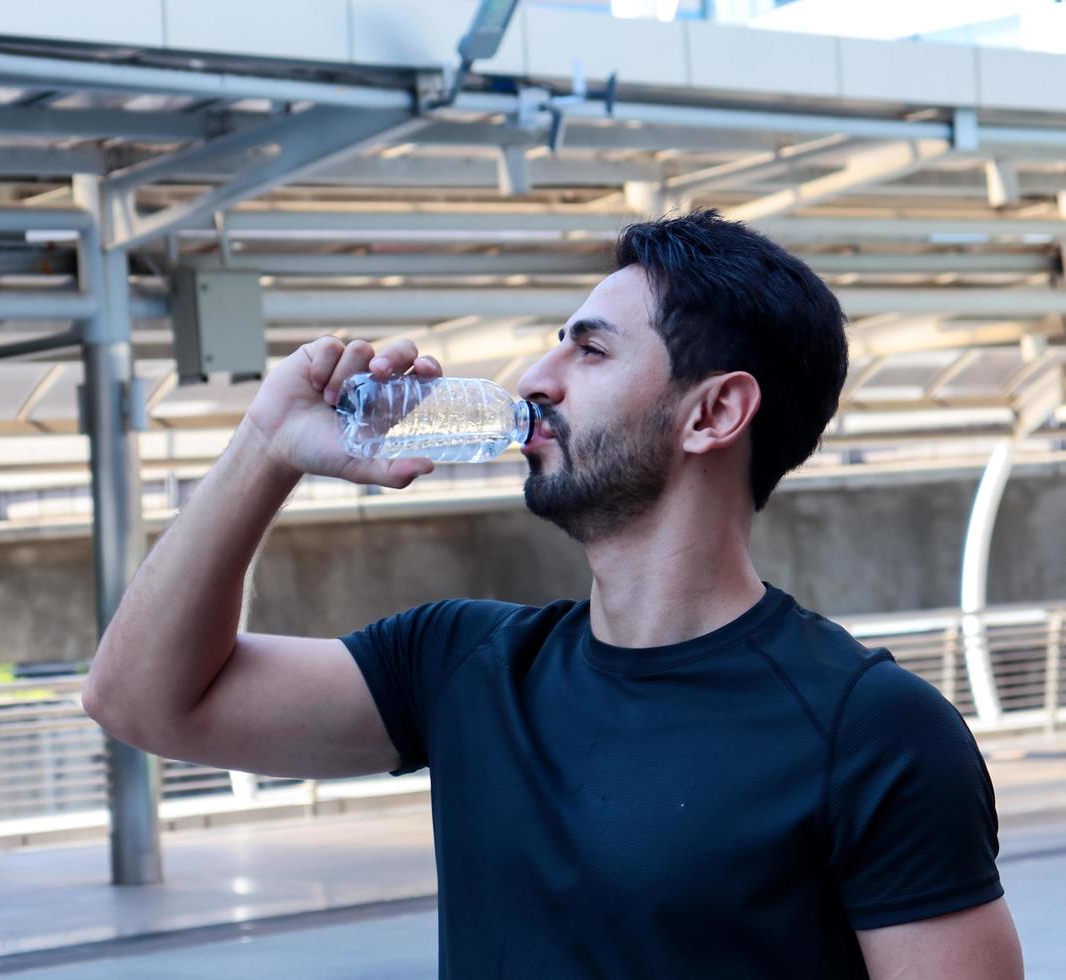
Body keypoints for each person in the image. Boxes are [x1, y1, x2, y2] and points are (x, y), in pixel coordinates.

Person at [82, 210, 1024, 978]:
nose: (536, 379)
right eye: (551, 346)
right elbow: (140, 700)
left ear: (714, 413)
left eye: (591, 352)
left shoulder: (873, 733)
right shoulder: (461, 664)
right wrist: (267, 444)